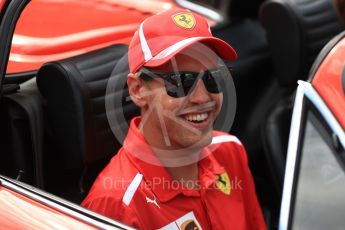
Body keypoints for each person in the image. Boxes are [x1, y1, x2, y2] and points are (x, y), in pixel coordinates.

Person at [82, 8, 266, 229]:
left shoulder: (230, 151)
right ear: (138, 90)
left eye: (212, 78)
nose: (202, 97)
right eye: (180, 82)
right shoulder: (116, 205)